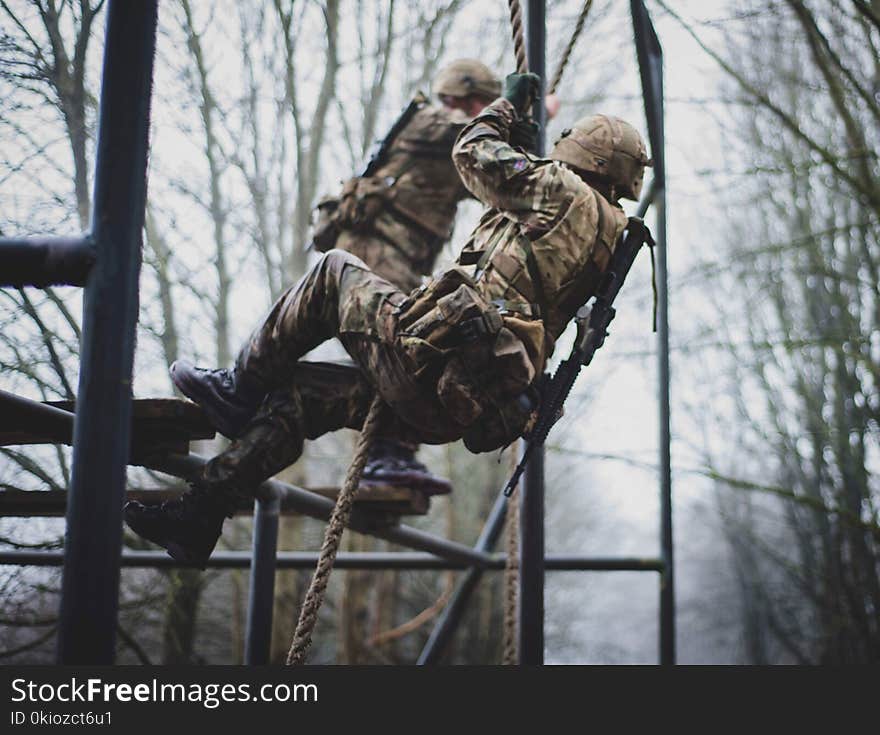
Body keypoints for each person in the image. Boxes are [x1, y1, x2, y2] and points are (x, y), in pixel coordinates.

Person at [126, 72, 652, 567]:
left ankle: (238, 387)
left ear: (585, 155)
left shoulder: (563, 193)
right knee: (303, 396)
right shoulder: (607, 232)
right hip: (454, 402)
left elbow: (471, 151)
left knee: (333, 273)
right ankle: (200, 515)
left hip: (431, 360)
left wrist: (506, 107)